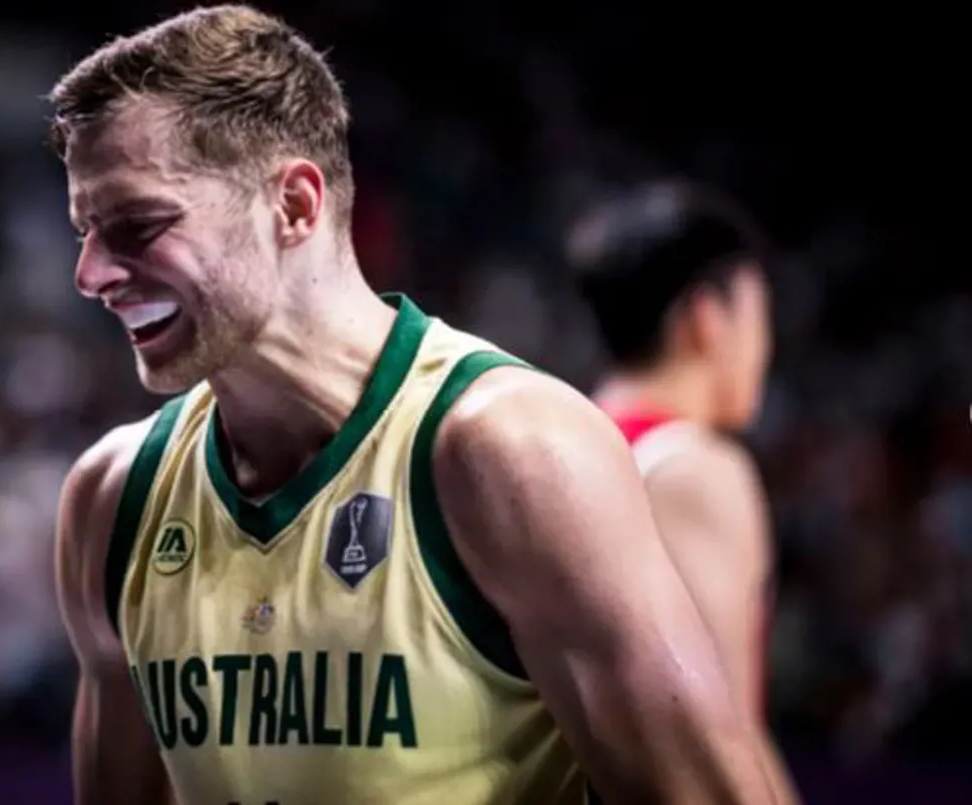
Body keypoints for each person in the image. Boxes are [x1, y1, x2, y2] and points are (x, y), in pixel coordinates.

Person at [50, 6, 787, 804]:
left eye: (137, 224)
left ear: (293, 205)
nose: (89, 274)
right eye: (85, 230)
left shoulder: (512, 451)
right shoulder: (113, 495)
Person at [567, 180, 796, 800]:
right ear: (706, 318)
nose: (765, 349)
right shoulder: (694, 469)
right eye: (760, 320)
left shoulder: (561, 445)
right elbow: (718, 739)